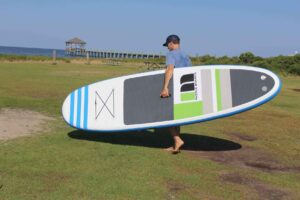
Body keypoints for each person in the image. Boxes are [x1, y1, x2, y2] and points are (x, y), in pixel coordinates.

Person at [160, 35, 192, 154]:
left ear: (171, 43)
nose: (167, 48)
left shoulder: (171, 54)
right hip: (184, 90)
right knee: (176, 118)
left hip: (174, 88)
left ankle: (177, 140)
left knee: (166, 117)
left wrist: (165, 87)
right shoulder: (186, 56)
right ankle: (175, 145)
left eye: (167, 45)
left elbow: (170, 69)